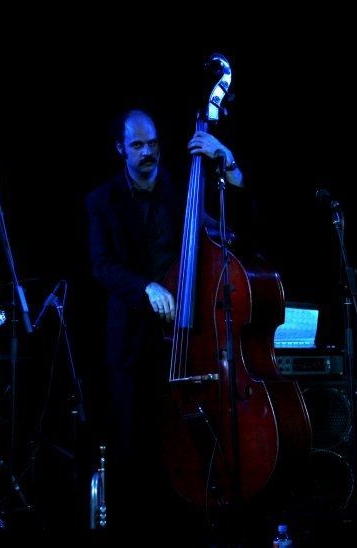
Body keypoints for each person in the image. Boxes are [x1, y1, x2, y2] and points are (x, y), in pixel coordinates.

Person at [85, 109, 244, 535]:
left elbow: (231, 225)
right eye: (136, 145)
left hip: (187, 336)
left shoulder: (182, 187)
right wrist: (146, 288)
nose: (147, 152)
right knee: (133, 443)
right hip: (134, 342)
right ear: (121, 149)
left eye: (152, 143)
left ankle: (190, 519)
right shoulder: (102, 201)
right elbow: (101, 265)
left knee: (188, 436)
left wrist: (225, 159)